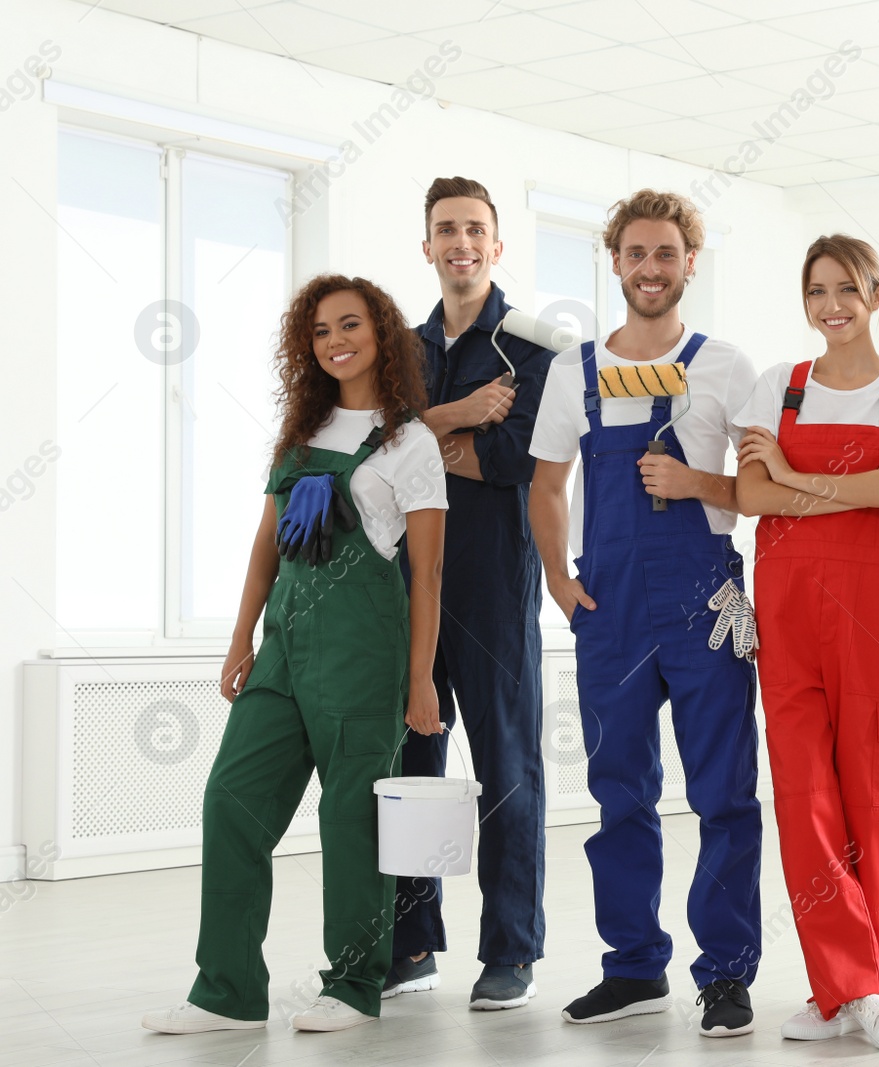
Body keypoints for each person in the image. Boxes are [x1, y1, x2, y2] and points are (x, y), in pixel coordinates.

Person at [142, 274, 447, 1034]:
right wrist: (241, 637)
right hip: (283, 649)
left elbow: (430, 573)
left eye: (350, 324)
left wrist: (420, 681)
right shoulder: (299, 433)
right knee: (231, 801)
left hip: (361, 651)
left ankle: (352, 986)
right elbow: (264, 551)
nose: (335, 340)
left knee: (351, 820)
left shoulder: (411, 442)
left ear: (381, 334)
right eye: (320, 331)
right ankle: (228, 991)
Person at [529, 189, 763, 1038]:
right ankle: (633, 966)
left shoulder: (728, 366)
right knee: (619, 790)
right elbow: (548, 483)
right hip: (612, 605)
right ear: (615, 260)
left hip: (709, 600)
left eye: (668, 253)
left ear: (689, 263)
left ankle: (728, 973)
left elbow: (764, 488)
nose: (652, 268)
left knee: (725, 792)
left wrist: (701, 483)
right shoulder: (573, 369)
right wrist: (559, 577)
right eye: (637, 253)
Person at [733, 234, 879, 1052]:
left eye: (846, 289)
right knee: (801, 792)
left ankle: (846, 988)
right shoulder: (777, 384)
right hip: (786, 605)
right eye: (816, 291)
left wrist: (796, 478)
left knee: (876, 794)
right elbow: (752, 494)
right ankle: (852, 987)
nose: (831, 306)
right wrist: (812, 486)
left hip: (875, 607)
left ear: (877, 293)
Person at [382, 177, 555, 1011]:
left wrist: (432, 440)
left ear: (496, 245)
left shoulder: (532, 348)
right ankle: (412, 943)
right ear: (427, 246)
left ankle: (510, 950)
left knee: (507, 769)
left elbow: (518, 458)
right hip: (407, 587)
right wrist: (457, 416)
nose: (461, 243)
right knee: (412, 763)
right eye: (445, 230)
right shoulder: (398, 352)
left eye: (475, 230)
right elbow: (378, 453)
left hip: (491, 587)